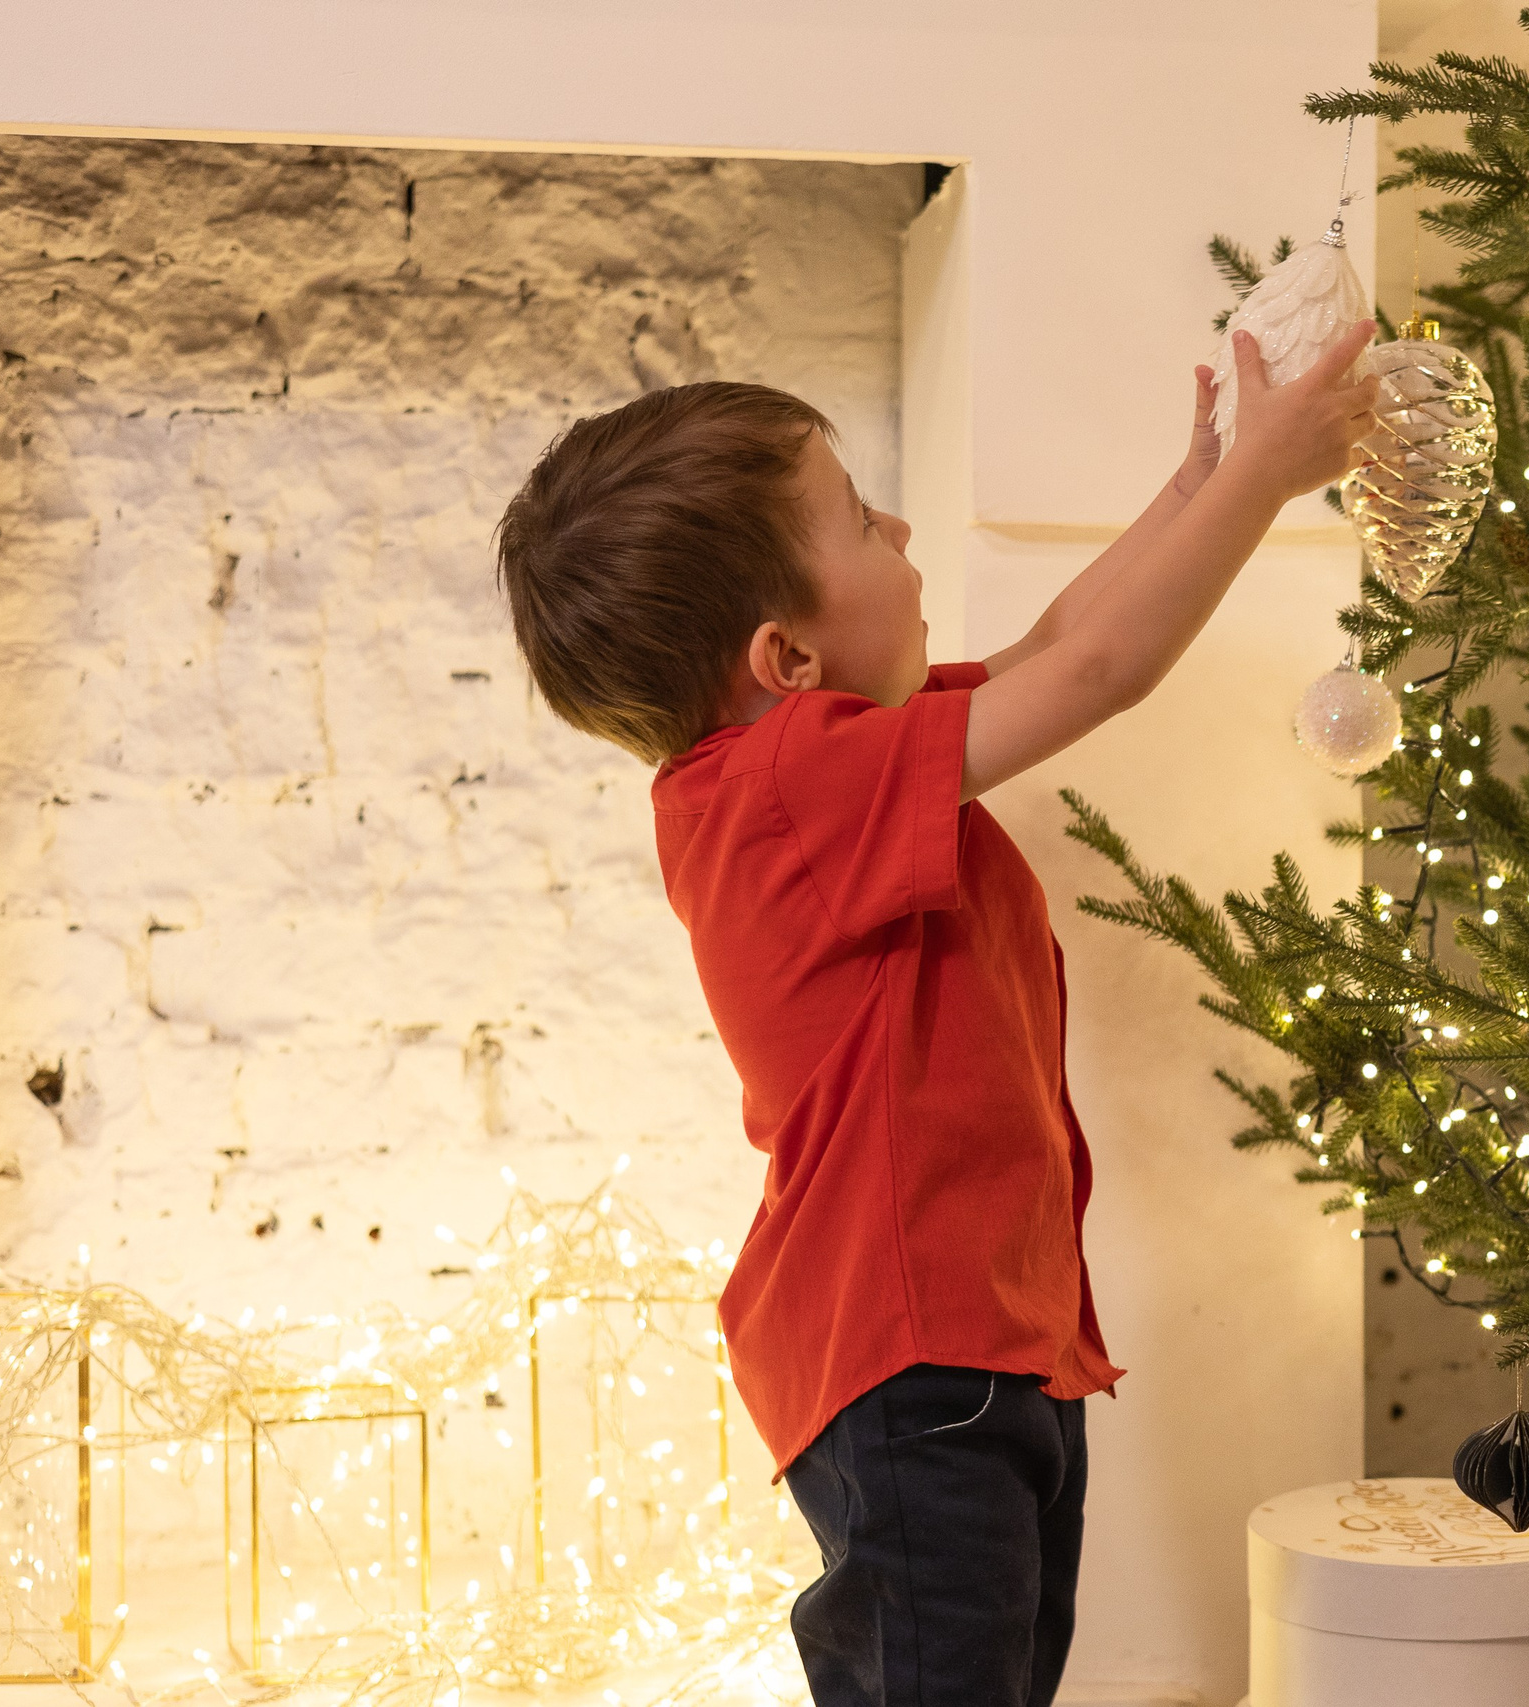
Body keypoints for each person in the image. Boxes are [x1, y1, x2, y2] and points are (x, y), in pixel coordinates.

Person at [493, 322, 1378, 1705]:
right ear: (784, 657)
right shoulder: (785, 785)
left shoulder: (830, 762)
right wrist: (1262, 480)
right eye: (859, 517)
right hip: (915, 1356)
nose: (900, 524)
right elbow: (1098, 676)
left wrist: (1201, 482)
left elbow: (1060, 643)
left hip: (976, 1338)